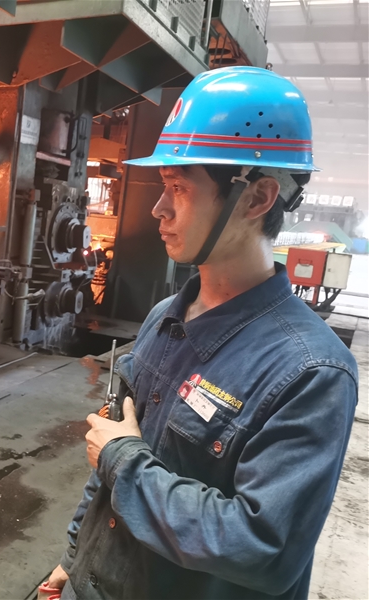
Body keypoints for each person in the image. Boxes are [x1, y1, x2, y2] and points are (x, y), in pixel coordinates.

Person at [44, 66, 359, 599]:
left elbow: (264, 548)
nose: (158, 208)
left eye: (179, 188)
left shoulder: (311, 372)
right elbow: (111, 457)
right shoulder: (163, 317)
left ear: (256, 199)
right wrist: (75, 558)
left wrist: (125, 462)